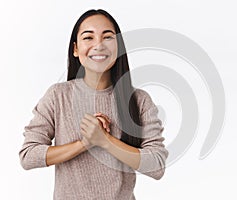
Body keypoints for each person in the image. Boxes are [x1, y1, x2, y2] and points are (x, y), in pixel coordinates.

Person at [19, 9, 168, 200]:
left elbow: (157, 166)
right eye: (88, 37)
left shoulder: (139, 100)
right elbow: (28, 156)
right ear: (75, 49)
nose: (98, 45)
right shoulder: (58, 96)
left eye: (107, 37)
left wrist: (104, 141)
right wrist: (84, 143)